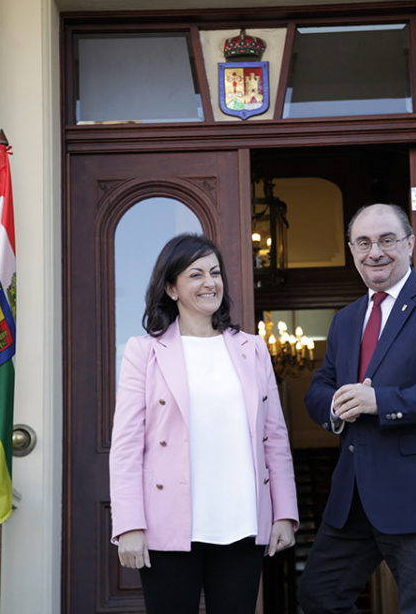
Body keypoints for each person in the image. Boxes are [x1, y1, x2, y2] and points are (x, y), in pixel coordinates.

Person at [298, 204, 416, 614]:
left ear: (410, 244)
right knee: (319, 596)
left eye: (387, 240)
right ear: (351, 250)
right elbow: (320, 387)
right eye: (363, 243)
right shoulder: (345, 320)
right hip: (353, 497)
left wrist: (380, 401)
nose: (374, 252)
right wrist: (334, 404)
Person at [109, 233, 299, 614]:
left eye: (215, 272)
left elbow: (273, 438)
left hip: (242, 520)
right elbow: (127, 445)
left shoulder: (252, 348)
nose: (209, 282)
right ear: (171, 287)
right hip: (168, 525)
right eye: (195, 274)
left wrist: (284, 513)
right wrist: (129, 524)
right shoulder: (143, 352)